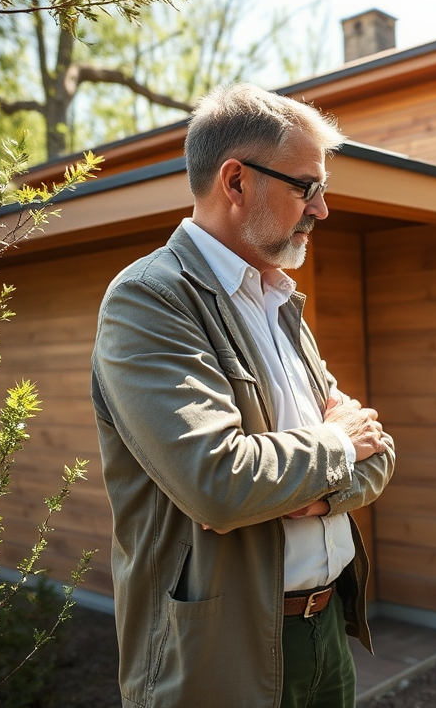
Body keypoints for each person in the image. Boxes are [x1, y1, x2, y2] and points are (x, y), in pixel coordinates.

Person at [91, 83, 394, 708]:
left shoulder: (281, 302)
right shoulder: (150, 299)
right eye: (306, 187)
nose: (322, 209)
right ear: (236, 182)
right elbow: (218, 482)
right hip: (221, 656)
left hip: (326, 631)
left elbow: (380, 452)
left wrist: (307, 489)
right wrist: (336, 445)